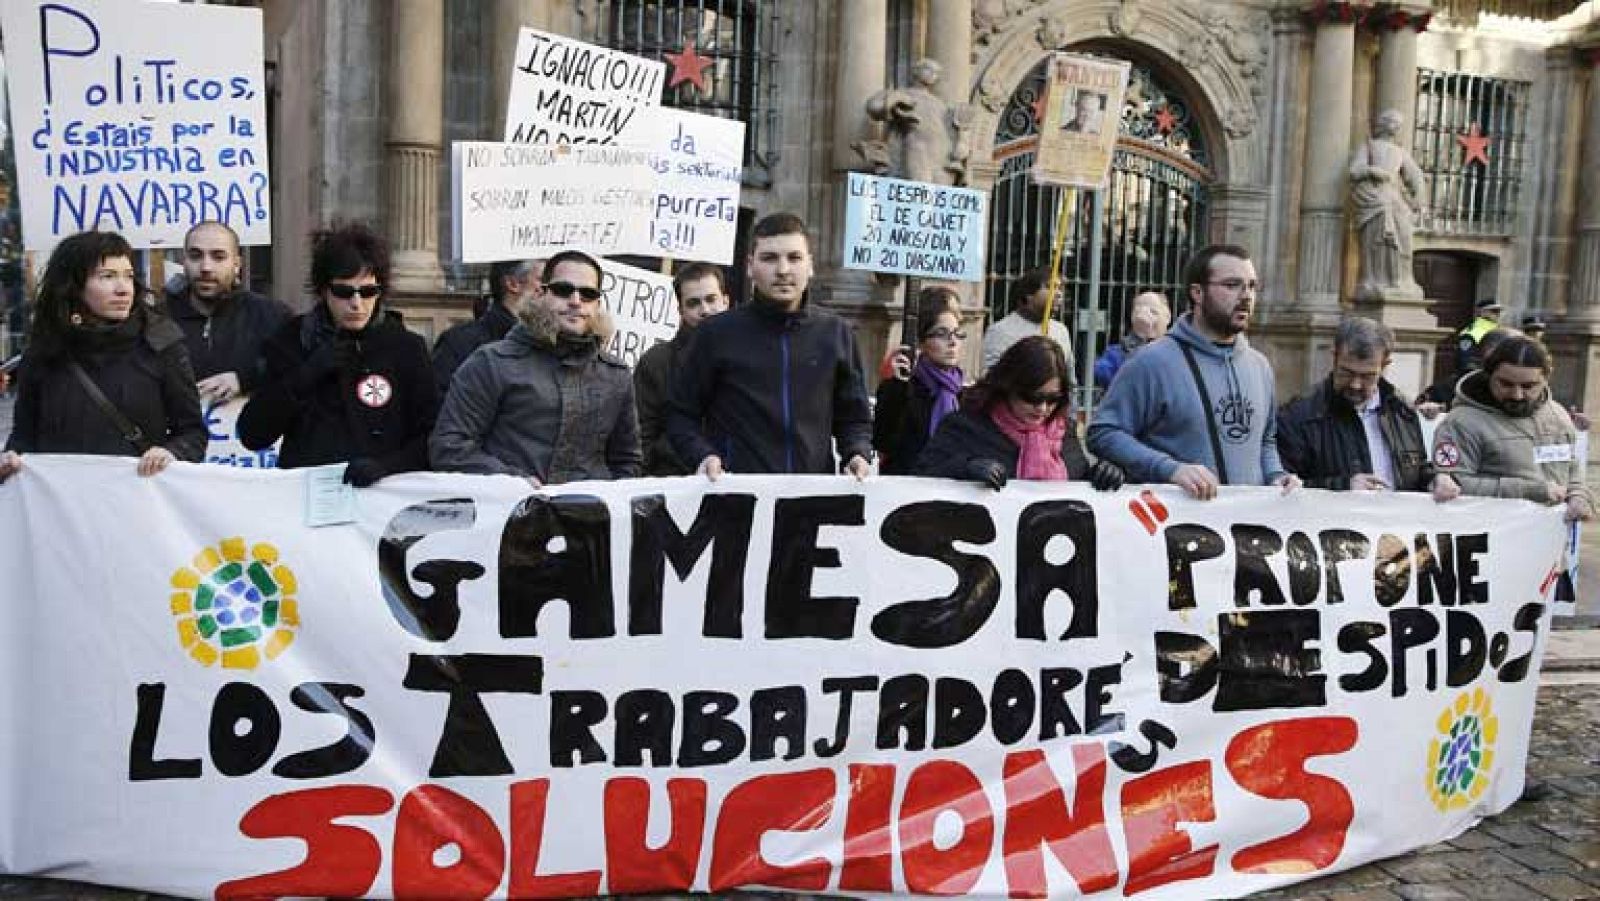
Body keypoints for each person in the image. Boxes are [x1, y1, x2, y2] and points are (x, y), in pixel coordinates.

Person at [668, 212, 873, 478]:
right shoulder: (716, 334)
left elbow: (854, 417)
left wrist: (857, 453)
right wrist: (703, 456)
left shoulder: (836, 333)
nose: (783, 270)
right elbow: (680, 415)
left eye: (794, 258)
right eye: (770, 258)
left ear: (810, 265)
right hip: (738, 496)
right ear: (750, 266)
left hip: (812, 496)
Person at [1088, 244, 1300, 499]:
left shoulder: (1260, 366)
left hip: (1247, 521)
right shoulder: (1151, 362)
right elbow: (1103, 433)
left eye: (1252, 286)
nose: (1246, 296)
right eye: (1232, 285)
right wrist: (1170, 469)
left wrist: (1276, 476)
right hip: (1175, 520)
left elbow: (1265, 441)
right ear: (1197, 293)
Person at [237, 223, 437, 486]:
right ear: (323, 291)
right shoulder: (292, 341)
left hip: (381, 494)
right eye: (344, 292)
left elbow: (431, 436)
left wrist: (387, 467)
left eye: (368, 292)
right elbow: (253, 434)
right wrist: (305, 375)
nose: (356, 304)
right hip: (308, 493)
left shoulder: (405, 348)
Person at [0, 230, 205, 483]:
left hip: (137, 497)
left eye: (128, 276)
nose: (123, 289)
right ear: (74, 285)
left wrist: (171, 453)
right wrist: (11, 459)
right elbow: (24, 436)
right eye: (107, 276)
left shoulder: (161, 344)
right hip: (63, 500)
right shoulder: (44, 352)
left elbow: (193, 434)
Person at [430, 250, 640, 484]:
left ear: (598, 304)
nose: (575, 301)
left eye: (588, 294)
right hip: (510, 504)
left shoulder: (616, 375)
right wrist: (512, 481)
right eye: (563, 290)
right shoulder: (491, 363)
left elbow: (626, 462)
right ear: (541, 294)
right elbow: (449, 447)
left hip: (590, 507)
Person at [914, 335, 1123, 491]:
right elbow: (921, 475)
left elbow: (1078, 478)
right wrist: (966, 468)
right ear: (1008, 387)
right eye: (1032, 397)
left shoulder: (1064, 432)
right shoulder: (965, 426)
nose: (1042, 408)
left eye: (1052, 399)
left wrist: (1101, 474)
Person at [1431, 335, 1591, 522]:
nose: (1517, 395)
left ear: (1546, 378)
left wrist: (1578, 495)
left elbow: (1570, 467)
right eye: (1505, 384)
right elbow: (1454, 483)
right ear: (1489, 375)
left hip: (1550, 535)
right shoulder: (1460, 423)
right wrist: (1530, 491)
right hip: (1491, 532)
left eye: (1528, 386)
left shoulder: (1558, 415)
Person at [1278, 317, 1437, 492]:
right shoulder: (1299, 416)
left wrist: (1434, 480)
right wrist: (1344, 486)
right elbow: (1284, 487)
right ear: (1334, 357)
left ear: (1384, 365)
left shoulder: (1402, 410)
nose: (1356, 385)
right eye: (1346, 373)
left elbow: (1416, 470)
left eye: (1367, 376)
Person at [165, 221, 289, 408]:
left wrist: (244, 379)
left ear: (237, 264)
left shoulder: (271, 316)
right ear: (184, 261)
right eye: (196, 256)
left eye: (218, 257)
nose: (206, 267)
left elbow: (295, 369)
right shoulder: (158, 320)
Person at [634, 262, 729, 476]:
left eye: (711, 300)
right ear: (680, 310)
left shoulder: (746, 356)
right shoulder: (656, 362)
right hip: (674, 483)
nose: (705, 310)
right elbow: (641, 438)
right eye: (694, 303)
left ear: (726, 301)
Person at [873, 286, 967, 475]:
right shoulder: (903, 387)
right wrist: (898, 387)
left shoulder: (967, 394)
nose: (953, 342)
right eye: (941, 334)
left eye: (957, 333)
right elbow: (883, 443)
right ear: (921, 341)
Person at [432, 258, 541, 394]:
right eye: (541, 280)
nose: (548, 290)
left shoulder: (549, 342)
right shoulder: (459, 341)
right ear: (513, 284)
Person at [1349, 109, 1426, 299]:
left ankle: (1401, 280)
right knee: (1375, 240)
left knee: (1403, 237)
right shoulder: (1369, 146)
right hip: (1375, 198)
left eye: (1399, 124)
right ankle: (1374, 280)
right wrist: (1371, 171)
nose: (1397, 126)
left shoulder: (1400, 152)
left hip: (1394, 198)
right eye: (1393, 122)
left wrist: (1419, 197)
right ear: (1382, 124)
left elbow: (1415, 175)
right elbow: (1354, 171)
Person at [981, 268, 1076, 379]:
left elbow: (1069, 376)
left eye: (1060, 288)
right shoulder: (1000, 331)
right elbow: (991, 378)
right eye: (1050, 287)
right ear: (1028, 294)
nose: (1059, 294)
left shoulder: (1061, 330)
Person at [1093, 291, 1171, 389]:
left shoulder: (1176, 350)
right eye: (1138, 311)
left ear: (1168, 317)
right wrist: (1139, 338)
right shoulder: (1117, 353)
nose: (1146, 317)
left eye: (1153, 312)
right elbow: (1100, 373)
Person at [1454, 298, 1502, 375]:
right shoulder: (1472, 332)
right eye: (1494, 311)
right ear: (1482, 312)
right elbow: (1466, 360)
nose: (1497, 314)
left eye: (1498, 311)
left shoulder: (1499, 330)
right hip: (1480, 374)